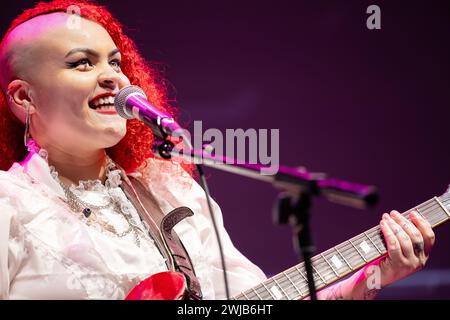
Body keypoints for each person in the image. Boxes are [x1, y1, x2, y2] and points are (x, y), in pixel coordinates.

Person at [0, 0, 435, 300]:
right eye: (81, 63)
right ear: (24, 99)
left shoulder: (169, 187)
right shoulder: (10, 205)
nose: (113, 77)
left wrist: (372, 276)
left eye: (115, 61)